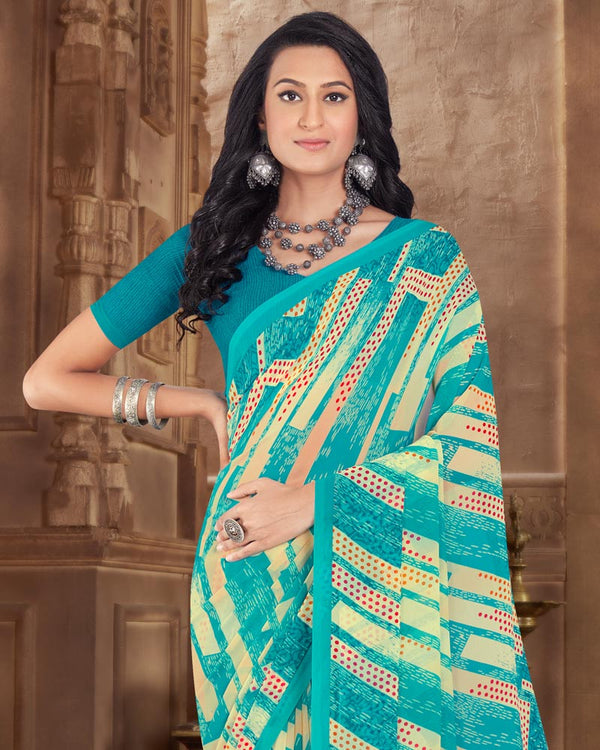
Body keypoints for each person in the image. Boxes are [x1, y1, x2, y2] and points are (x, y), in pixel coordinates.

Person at [23, 10, 549, 750]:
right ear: (260, 118)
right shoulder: (211, 248)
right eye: (290, 95)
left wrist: (316, 503)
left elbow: (468, 440)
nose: (311, 117)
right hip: (248, 566)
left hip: (376, 569)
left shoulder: (424, 260)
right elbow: (45, 381)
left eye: (334, 97)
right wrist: (198, 403)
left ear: (361, 117)